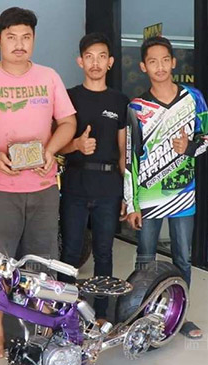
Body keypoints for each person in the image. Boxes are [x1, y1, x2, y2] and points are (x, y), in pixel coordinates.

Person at [0, 7, 77, 358]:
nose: (19, 44)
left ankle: (42, 331)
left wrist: (51, 150)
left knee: (44, 264)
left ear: (34, 39)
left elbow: (68, 123)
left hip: (44, 187)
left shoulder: (49, 77)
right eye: (11, 37)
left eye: (26, 37)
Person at [125, 35, 208, 339]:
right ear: (143, 67)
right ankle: (141, 314)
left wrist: (190, 147)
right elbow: (130, 159)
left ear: (173, 62)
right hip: (148, 196)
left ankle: (179, 314)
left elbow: (207, 138)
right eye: (153, 61)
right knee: (145, 257)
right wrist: (132, 203)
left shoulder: (194, 98)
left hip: (183, 193)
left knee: (183, 258)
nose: (160, 67)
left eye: (165, 60)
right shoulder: (136, 107)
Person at [58, 32, 128, 325]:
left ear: (110, 62)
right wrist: (76, 145)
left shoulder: (120, 101)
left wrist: (128, 195)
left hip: (108, 187)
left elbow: (123, 152)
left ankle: (101, 314)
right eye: (89, 57)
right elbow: (55, 145)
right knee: (70, 252)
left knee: (104, 253)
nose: (95, 63)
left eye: (101, 57)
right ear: (80, 61)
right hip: (75, 184)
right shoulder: (68, 97)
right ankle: (64, 313)